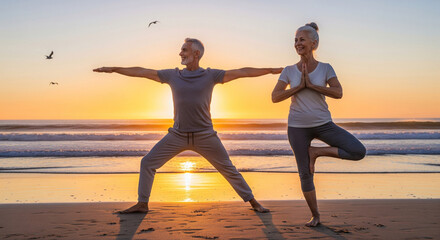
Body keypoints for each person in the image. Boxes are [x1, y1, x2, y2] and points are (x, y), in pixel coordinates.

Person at [94, 38, 282, 214]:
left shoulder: (211, 75)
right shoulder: (172, 75)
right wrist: (113, 69)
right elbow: (143, 72)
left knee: (228, 169)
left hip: (205, 136)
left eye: (184, 50)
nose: (180, 53)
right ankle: (142, 204)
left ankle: (254, 203)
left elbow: (242, 72)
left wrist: (272, 70)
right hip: (177, 135)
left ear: (196, 54)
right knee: (148, 163)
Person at [271, 23, 366, 227]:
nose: (297, 43)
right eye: (295, 40)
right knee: (305, 172)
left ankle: (317, 152)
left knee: (358, 151)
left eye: (302, 39)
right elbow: (275, 97)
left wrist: (312, 86)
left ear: (314, 43)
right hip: (297, 127)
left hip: (324, 124)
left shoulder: (325, 68)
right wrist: (298, 87)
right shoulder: (288, 71)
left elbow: (338, 92)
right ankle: (316, 215)